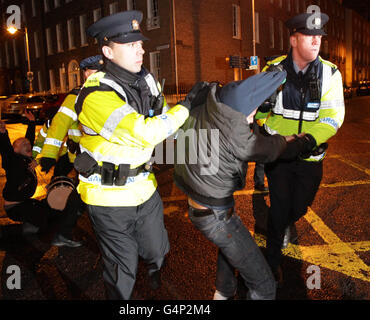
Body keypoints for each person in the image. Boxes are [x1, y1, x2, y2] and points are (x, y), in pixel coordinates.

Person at [73, 10, 194, 300]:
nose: (140, 49)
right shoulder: (96, 94)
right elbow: (144, 132)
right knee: (121, 267)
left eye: (140, 43)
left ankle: (153, 267)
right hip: (108, 197)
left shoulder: (146, 81)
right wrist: (188, 106)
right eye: (130, 45)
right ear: (107, 51)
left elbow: (164, 124)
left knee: (157, 249)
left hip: (144, 188)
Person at [173, 70, 314, 300]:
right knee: (265, 287)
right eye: (253, 109)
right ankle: (229, 290)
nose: (255, 115)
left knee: (229, 251)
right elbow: (268, 150)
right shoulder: (234, 131)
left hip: (200, 203)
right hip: (217, 217)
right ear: (239, 109)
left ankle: (224, 291)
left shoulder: (210, 107)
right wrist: (299, 142)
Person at [255, 12, 345, 283]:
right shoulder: (273, 70)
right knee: (280, 207)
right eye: (309, 35)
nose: (316, 40)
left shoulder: (330, 73)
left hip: (309, 156)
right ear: (294, 39)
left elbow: (333, 116)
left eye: (319, 36)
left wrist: (307, 140)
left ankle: (282, 223)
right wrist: (266, 129)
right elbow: (258, 112)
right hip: (280, 155)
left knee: (300, 207)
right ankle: (271, 263)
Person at [0, 111, 83, 248]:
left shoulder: (28, 159)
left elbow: (29, 139)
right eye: (22, 143)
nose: (27, 144)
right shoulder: (12, 161)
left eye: (27, 143)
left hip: (27, 203)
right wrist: (2, 133)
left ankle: (36, 222)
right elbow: (5, 151)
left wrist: (31, 122)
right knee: (43, 225)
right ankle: (0, 232)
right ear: (15, 150)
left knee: (53, 211)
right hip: (15, 207)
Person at [38, 55, 104, 177]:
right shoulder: (77, 96)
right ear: (86, 74)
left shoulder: (113, 92)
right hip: (83, 156)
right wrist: (49, 155)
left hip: (108, 154)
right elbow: (60, 122)